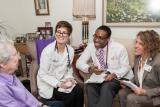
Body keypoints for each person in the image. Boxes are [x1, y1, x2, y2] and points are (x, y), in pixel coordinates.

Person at [76, 25, 133, 107]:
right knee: (90, 87)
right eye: (95, 36)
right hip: (99, 77)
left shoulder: (119, 48)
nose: (96, 40)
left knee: (106, 87)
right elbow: (79, 62)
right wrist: (90, 69)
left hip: (116, 77)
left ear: (108, 39)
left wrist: (114, 74)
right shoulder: (91, 46)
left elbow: (126, 67)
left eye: (100, 38)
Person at [37, 21, 84, 107]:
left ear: (69, 36)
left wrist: (69, 78)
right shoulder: (47, 51)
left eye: (64, 33)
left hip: (62, 80)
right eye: (59, 32)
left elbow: (69, 68)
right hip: (49, 85)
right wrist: (60, 84)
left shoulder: (70, 50)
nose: (61, 35)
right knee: (70, 95)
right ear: (55, 33)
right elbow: (42, 74)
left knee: (79, 90)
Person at [0, 39, 50, 107]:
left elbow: (27, 96)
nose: (19, 57)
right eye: (15, 54)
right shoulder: (2, 88)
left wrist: (41, 105)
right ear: (2, 64)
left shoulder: (10, 75)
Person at [119, 30, 160, 107]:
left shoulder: (158, 61)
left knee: (132, 98)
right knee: (122, 93)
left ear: (150, 46)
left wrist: (145, 92)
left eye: (140, 44)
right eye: (136, 42)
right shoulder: (138, 58)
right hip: (141, 90)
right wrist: (127, 83)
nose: (136, 46)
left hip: (155, 96)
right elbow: (139, 77)